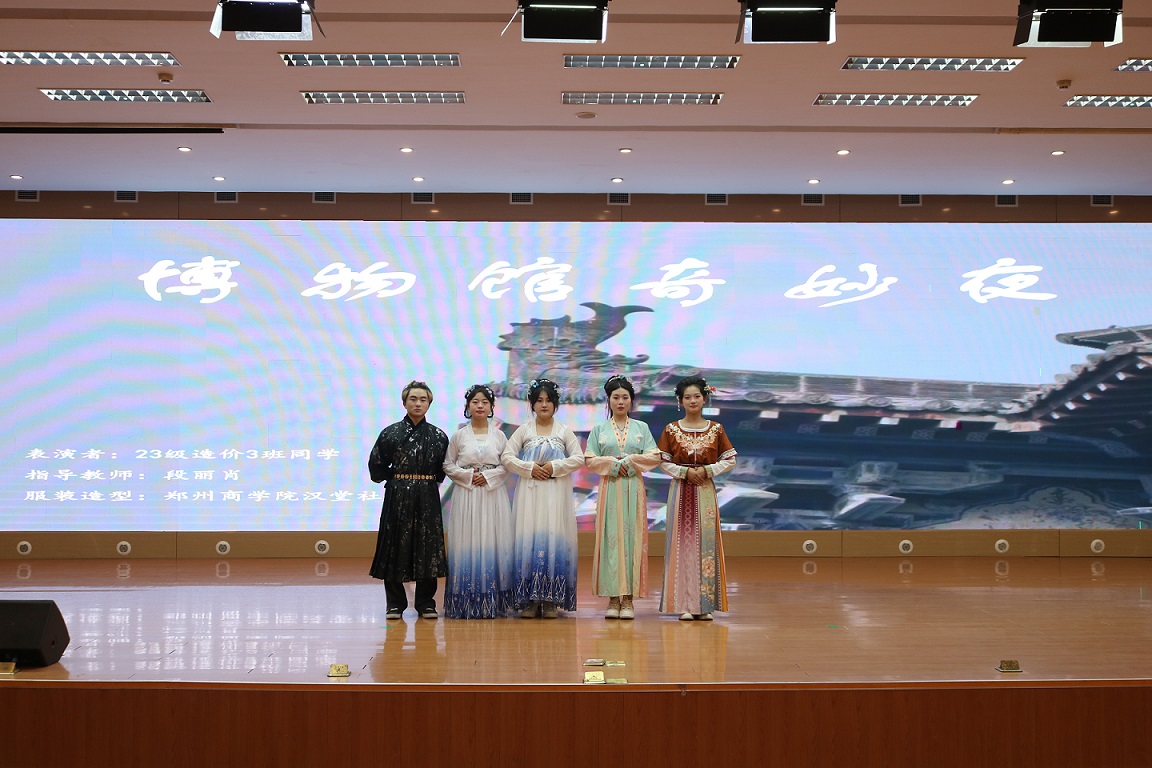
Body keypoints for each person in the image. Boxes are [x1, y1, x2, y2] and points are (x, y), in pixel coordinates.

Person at [501, 378, 584, 619]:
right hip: (530, 493)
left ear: (555, 404)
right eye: (539, 401)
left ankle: (550, 601)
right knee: (529, 539)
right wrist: (529, 468)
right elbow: (507, 457)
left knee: (553, 540)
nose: (544, 405)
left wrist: (554, 466)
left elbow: (578, 458)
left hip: (555, 494)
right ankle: (530, 600)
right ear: (532, 404)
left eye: (548, 400)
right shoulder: (524, 430)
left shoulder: (563, 431)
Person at [368, 380, 450, 621]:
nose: (418, 403)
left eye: (423, 400)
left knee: (427, 546)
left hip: (427, 496)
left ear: (429, 404)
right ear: (404, 403)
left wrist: (422, 482)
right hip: (398, 496)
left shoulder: (438, 436)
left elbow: (442, 470)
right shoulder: (390, 433)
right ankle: (394, 604)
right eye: (413, 399)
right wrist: (397, 479)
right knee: (395, 545)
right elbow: (376, 466)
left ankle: (426, 603)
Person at [657, 375, 737, 621]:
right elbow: (662, 461)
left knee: (706, 544)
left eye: (697, 396)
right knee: (681, 544)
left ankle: (705, 604)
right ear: (680, 401)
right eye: (687, 397)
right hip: (680, 489)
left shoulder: (716, 429)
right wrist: (685, 472)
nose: (692, 401)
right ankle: (684, 603)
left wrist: (706, 470)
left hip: (705, 490)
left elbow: (730, 460)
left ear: (704, 399)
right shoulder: (671, 429)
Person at [584, 375, 661, 620]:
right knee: (610, 540)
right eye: (615, 397)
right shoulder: (599, 429)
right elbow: (590, 459)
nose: (620, 402)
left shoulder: (641, 428)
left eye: (625, 397)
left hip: (633, 488)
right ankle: (612, 598)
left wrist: (630, 462)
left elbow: (654, 456)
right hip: (610, 488)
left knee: (632, 540)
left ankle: (628, 599)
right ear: (608, 400)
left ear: (631, 400)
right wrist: (614, 465)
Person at [442, 384, 515, 619]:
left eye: (485, 402)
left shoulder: (500, 436)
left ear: (492, 407)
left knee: (493, 540)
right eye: (475, 402)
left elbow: (507, 464)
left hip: (493, 493)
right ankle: (466, 601)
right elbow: (448, 464)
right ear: (468, 406)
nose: (480, 406)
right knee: (467, 541)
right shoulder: (459, 435)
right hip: (468, 493)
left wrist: (489, 476)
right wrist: (468, 476)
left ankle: (492, 602)